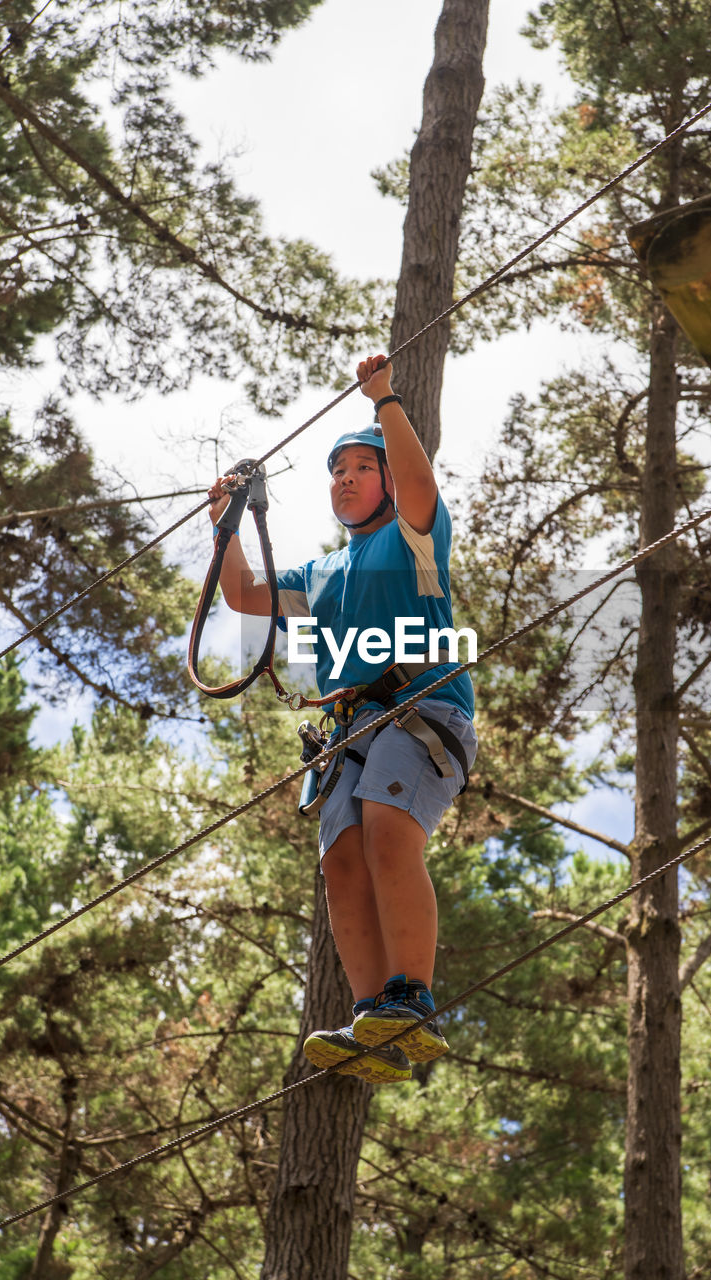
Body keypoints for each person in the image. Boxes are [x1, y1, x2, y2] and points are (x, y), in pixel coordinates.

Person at [207, 355, 477, 1084]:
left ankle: (410, 993)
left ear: (388, 480)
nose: (347, 479)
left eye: (363, 467)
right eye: (338, 471)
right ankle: (371, 1015)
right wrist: (223, 524)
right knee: (341, 863)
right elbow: (239, 592)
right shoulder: (321, 574)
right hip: (353, 732)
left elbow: (422, 487)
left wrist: (385, 399)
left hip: (421, 710)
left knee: (390, 834)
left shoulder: (415, 543)